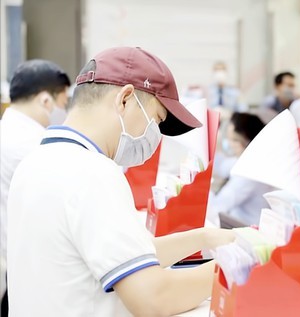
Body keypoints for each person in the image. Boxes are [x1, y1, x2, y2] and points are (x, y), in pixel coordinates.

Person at [6, 47, 235, 316]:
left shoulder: (39, 161)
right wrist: (235, 262)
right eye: (157, 120)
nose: (155, 137)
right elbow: (154, 299)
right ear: (125, 99)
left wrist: (203, 237)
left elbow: (125, 253)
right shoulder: (92, 172)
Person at [0, 59, 70, 315]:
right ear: (45, 101)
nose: (64, 113)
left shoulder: (8, 130)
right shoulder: (30, 143)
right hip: (26, 270)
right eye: (63, 104)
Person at [207, 112, 274, 226]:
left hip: (244, 229)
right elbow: (222, 166)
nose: (229, 144)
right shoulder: (249, 160)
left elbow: (218, 205)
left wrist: (202, 186)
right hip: (237, 221)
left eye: (234, 139)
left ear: (246, 141)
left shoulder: (249, 171)